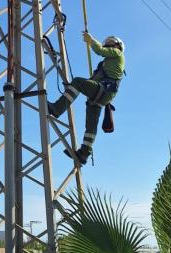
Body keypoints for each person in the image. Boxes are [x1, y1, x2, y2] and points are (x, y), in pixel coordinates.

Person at [48, 32, 125, 165]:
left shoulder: (117, 53)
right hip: (103, 94)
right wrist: (73, 87)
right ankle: (84, 152)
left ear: (117, 45)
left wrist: (91, 40)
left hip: (103, 90)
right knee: (91, 124)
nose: (108, 45)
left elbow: (99, 50)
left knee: (78, 82)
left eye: (110, 43)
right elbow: (93, 80)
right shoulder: (106, 65)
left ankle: (57, 108)